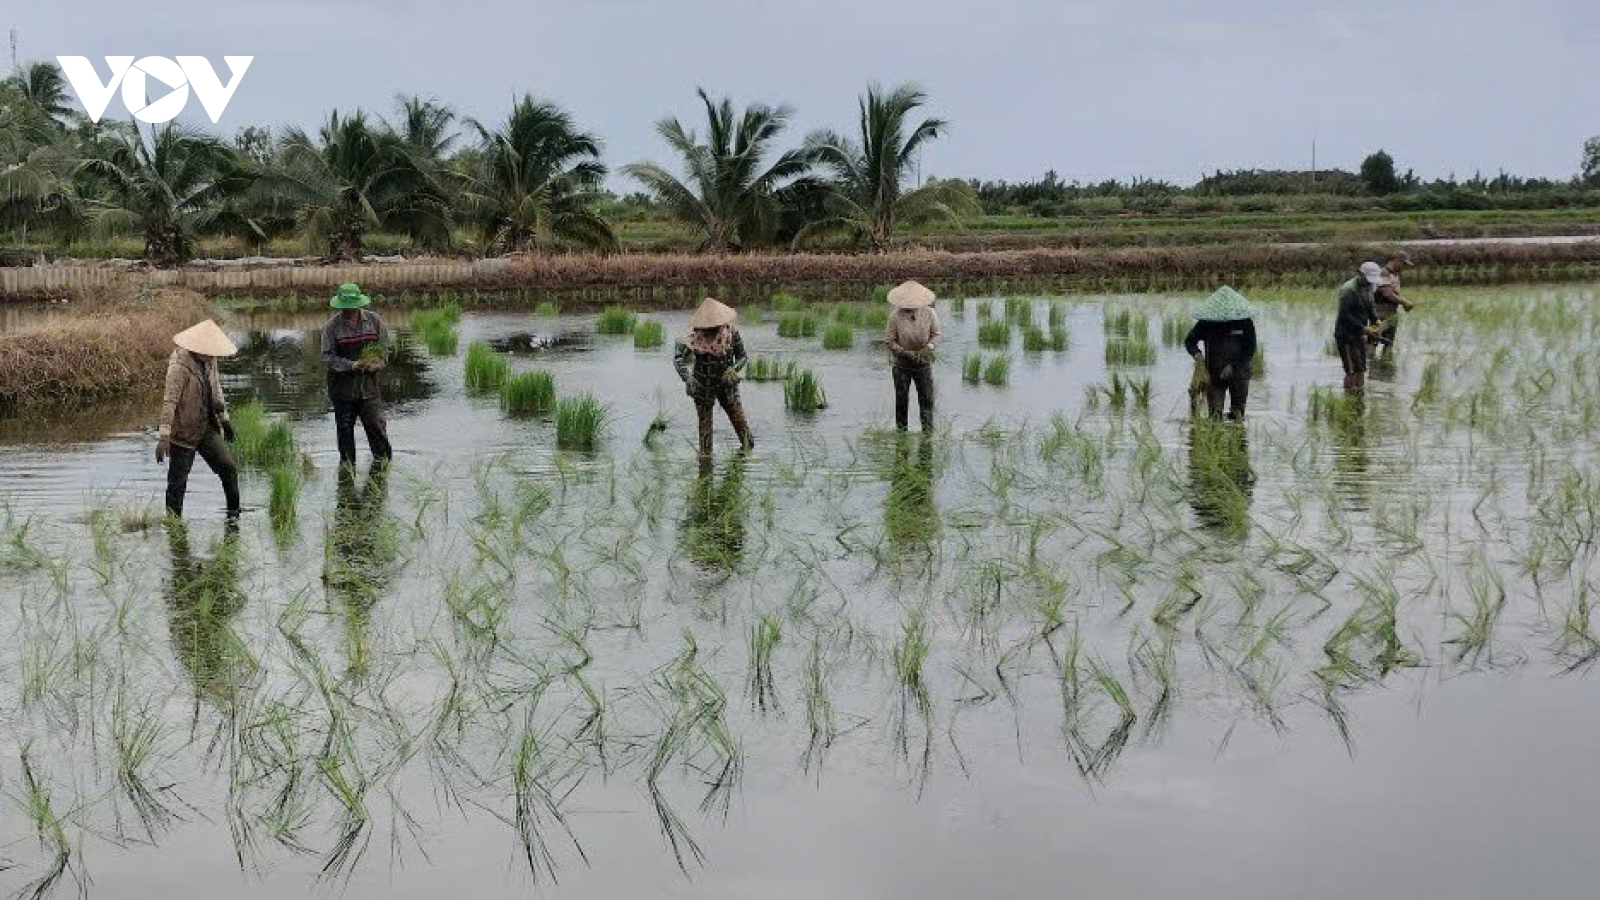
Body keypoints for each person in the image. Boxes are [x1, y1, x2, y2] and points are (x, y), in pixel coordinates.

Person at [157, 320, 241, 518]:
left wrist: (224, 420)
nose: (213, 355)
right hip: (183, 432)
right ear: (198, 347)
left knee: (228, 469)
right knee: (177, 485)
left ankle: (234, 518)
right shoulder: (179, 366)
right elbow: (170, 401)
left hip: (206, 427)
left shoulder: (210, 361)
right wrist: (164, 436)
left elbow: (216, 390)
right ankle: (174, 527)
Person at [321, 283, 393, 467]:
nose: (349, 309)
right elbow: (327, 357)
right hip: (342, 390)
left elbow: (385, 351)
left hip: (370, 390)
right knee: (345, 433)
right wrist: (352, 365)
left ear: (359, 303)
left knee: (377, 430)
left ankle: (383, 470)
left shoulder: (375, 321)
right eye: (345, 306)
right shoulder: (331, 327)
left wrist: (375, 364)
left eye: (352, 305)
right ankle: (347, 472)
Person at [674, 297, 753, 459]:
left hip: (727, 386)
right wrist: (687, 378)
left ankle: (745, 460)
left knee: (742, 428)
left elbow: (743, 357)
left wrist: (733, 369)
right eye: (708, 327)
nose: (712, 329)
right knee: (705, 437)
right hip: (702, 386)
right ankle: (705, 467)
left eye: (715, 326)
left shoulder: (731, 333)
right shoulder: (692, 336)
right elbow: (677, 358)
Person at [1183, 286, 1258, 421]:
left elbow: (1250, 348)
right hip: (1214, 373)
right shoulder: (1206, 322)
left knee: (1238, 415)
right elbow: (1189, 341)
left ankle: (1237, 439)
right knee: (1214, 416)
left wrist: (1233, 366)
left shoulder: (1245, 322)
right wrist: (1197, 355)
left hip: (1240, 373)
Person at [883, 280, 941, 432]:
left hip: (923, 363)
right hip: (902, 365)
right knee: (901, 401)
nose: (909, 307)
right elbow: (889, 341)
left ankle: (927, 433)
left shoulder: (929, 313)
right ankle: (901, 433)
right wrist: (905, 353)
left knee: (927, 401)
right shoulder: (894, 317)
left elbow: (936, 335)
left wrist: (928, 347)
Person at [1334, 262, 1387, 391]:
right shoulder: (1348, 290)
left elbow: (1371, 306)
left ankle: (1359, 396)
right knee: (1351, 370)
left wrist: (1375, 321)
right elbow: (1345, 315)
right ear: (1360, 274)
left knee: (1361, 368)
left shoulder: (1370, 286)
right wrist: (1364, 328)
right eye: (1368, 279)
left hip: (1358, 333)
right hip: (1345, 334)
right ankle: (1349, 396)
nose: (1370, 283)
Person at [1369, 254, 1416, 354]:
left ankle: (1386, 367)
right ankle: (1370, 365)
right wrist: (1404, 302)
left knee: (1389, 343)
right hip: (1379, 312)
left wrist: (1402, 304)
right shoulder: (1383, 273)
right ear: (1396, 260)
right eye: (1403, 264)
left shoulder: (1395, 274)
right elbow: (1387, 293)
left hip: (1391, 312)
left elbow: (1394, 293)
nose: (1404, 267)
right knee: (1373, 342)